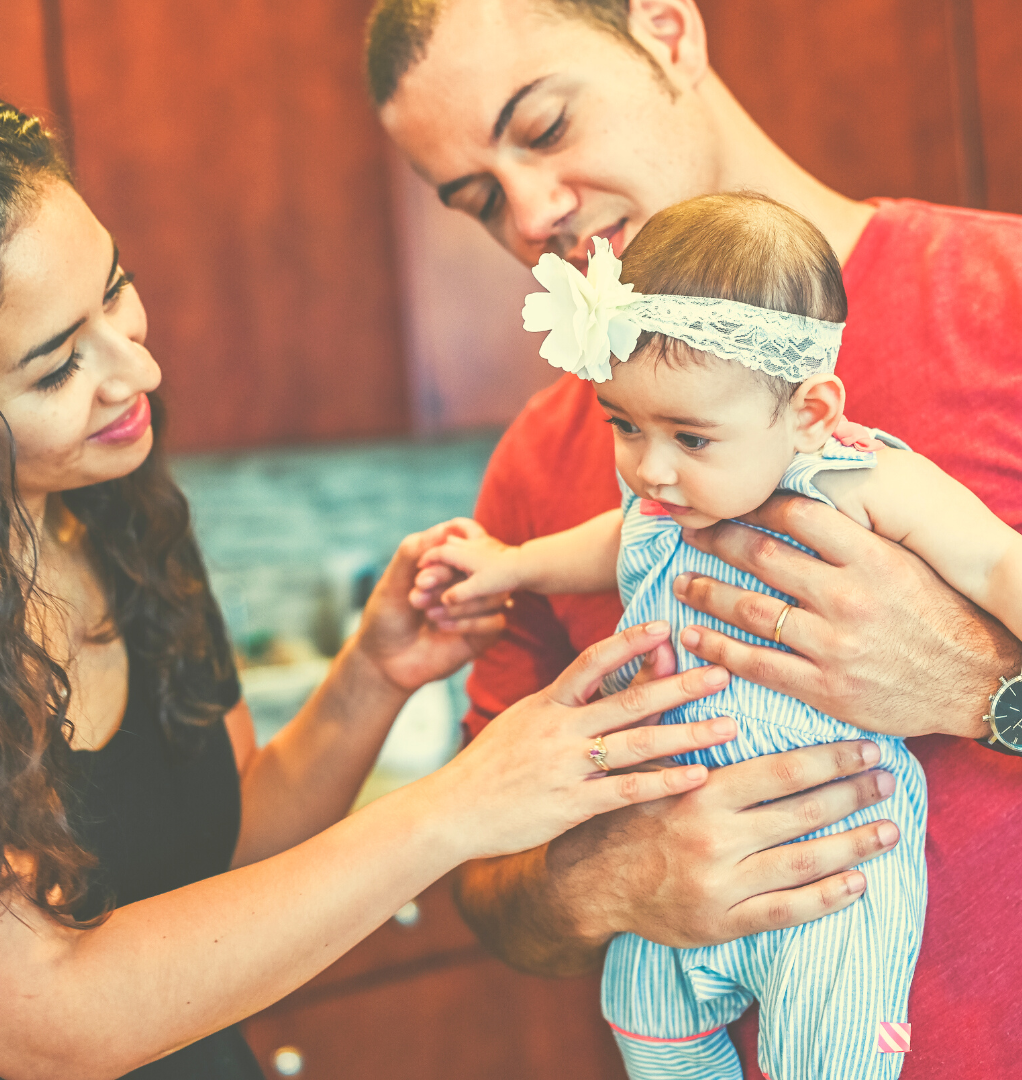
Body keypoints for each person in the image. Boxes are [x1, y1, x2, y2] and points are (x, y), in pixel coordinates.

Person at [0, 83, 794, 1080]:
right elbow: (53, 1021)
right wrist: (456, 806)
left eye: (117, 291)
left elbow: (230, 850)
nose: (137, 371)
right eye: (55, 370)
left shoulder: (120, 525)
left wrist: (373, 676)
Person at [367, 1, 1022, 1075]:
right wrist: (605, 879)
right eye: (479, 198)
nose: (532, 215)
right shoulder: (544, 470)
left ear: (669, 32)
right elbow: (489, 894)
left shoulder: (1003, 301)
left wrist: (987, 690)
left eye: (543, 128)